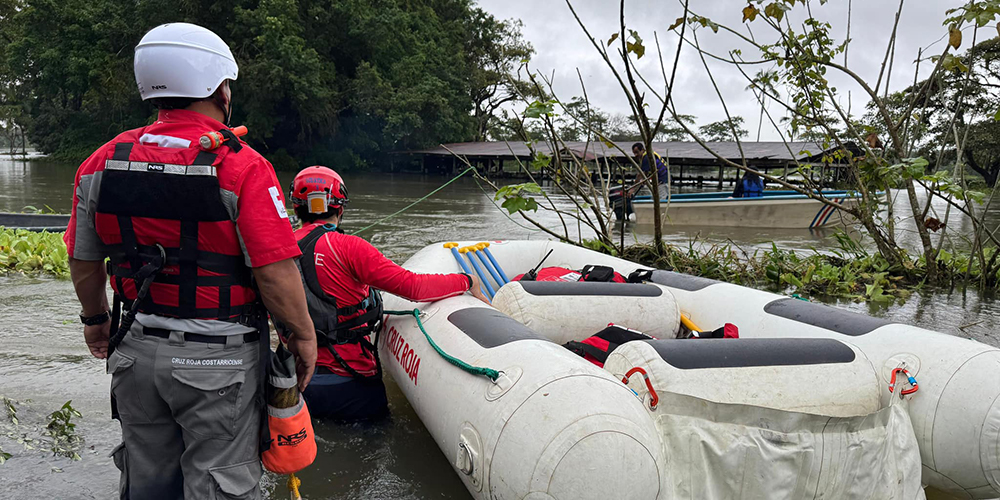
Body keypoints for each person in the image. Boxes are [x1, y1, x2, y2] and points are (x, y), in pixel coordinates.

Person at [64, 23, 317, 499]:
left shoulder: (101, 161)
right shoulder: (242, 166)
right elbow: (274, 271)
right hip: (219, 361)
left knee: (146, 481)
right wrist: (302, 335)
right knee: (220, 482)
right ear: (219, 88)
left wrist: (95, 321)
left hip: (134, 352)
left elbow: (84, 259)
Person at [284, 166, 490, 421]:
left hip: (294, 382)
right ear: (341, 208)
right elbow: (413, 287)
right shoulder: (350, 248)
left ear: (296, 209)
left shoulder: (276, 253)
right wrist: (467, 280)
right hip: (351, 382)